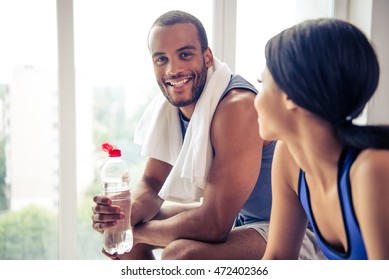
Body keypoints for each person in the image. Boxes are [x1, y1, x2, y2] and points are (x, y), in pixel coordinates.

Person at [92, 10, 323, 260]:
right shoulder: (170, 108)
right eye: (161, 59)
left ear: (207, 56)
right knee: (132, 239)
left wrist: (132, 233)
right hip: (242, 221)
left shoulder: (237, 106)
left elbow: (214, 224)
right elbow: (151, 184)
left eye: (185, 54)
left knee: (181, 255)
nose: (173, 69)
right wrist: (120, 216)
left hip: (293, 232)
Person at [255, 18, 389, 260]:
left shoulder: (374, 169)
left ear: (291, 96)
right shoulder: (288, 157)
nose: (256, 99)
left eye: (262, 83)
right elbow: (276, 258)